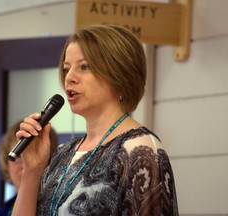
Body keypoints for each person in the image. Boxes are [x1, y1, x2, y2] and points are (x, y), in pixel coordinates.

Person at [12, 24, 178, 216]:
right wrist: (31, 172)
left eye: (85, 67)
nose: (70, 78)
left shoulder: (140, 151)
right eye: (67, 69)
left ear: (120, 74)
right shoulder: (62, 153)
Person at [0, 120, 58, 216]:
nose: (26, 166)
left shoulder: (62, 208)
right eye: (18, 157)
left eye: (35, 156)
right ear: (6, 164)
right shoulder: (1, 214)